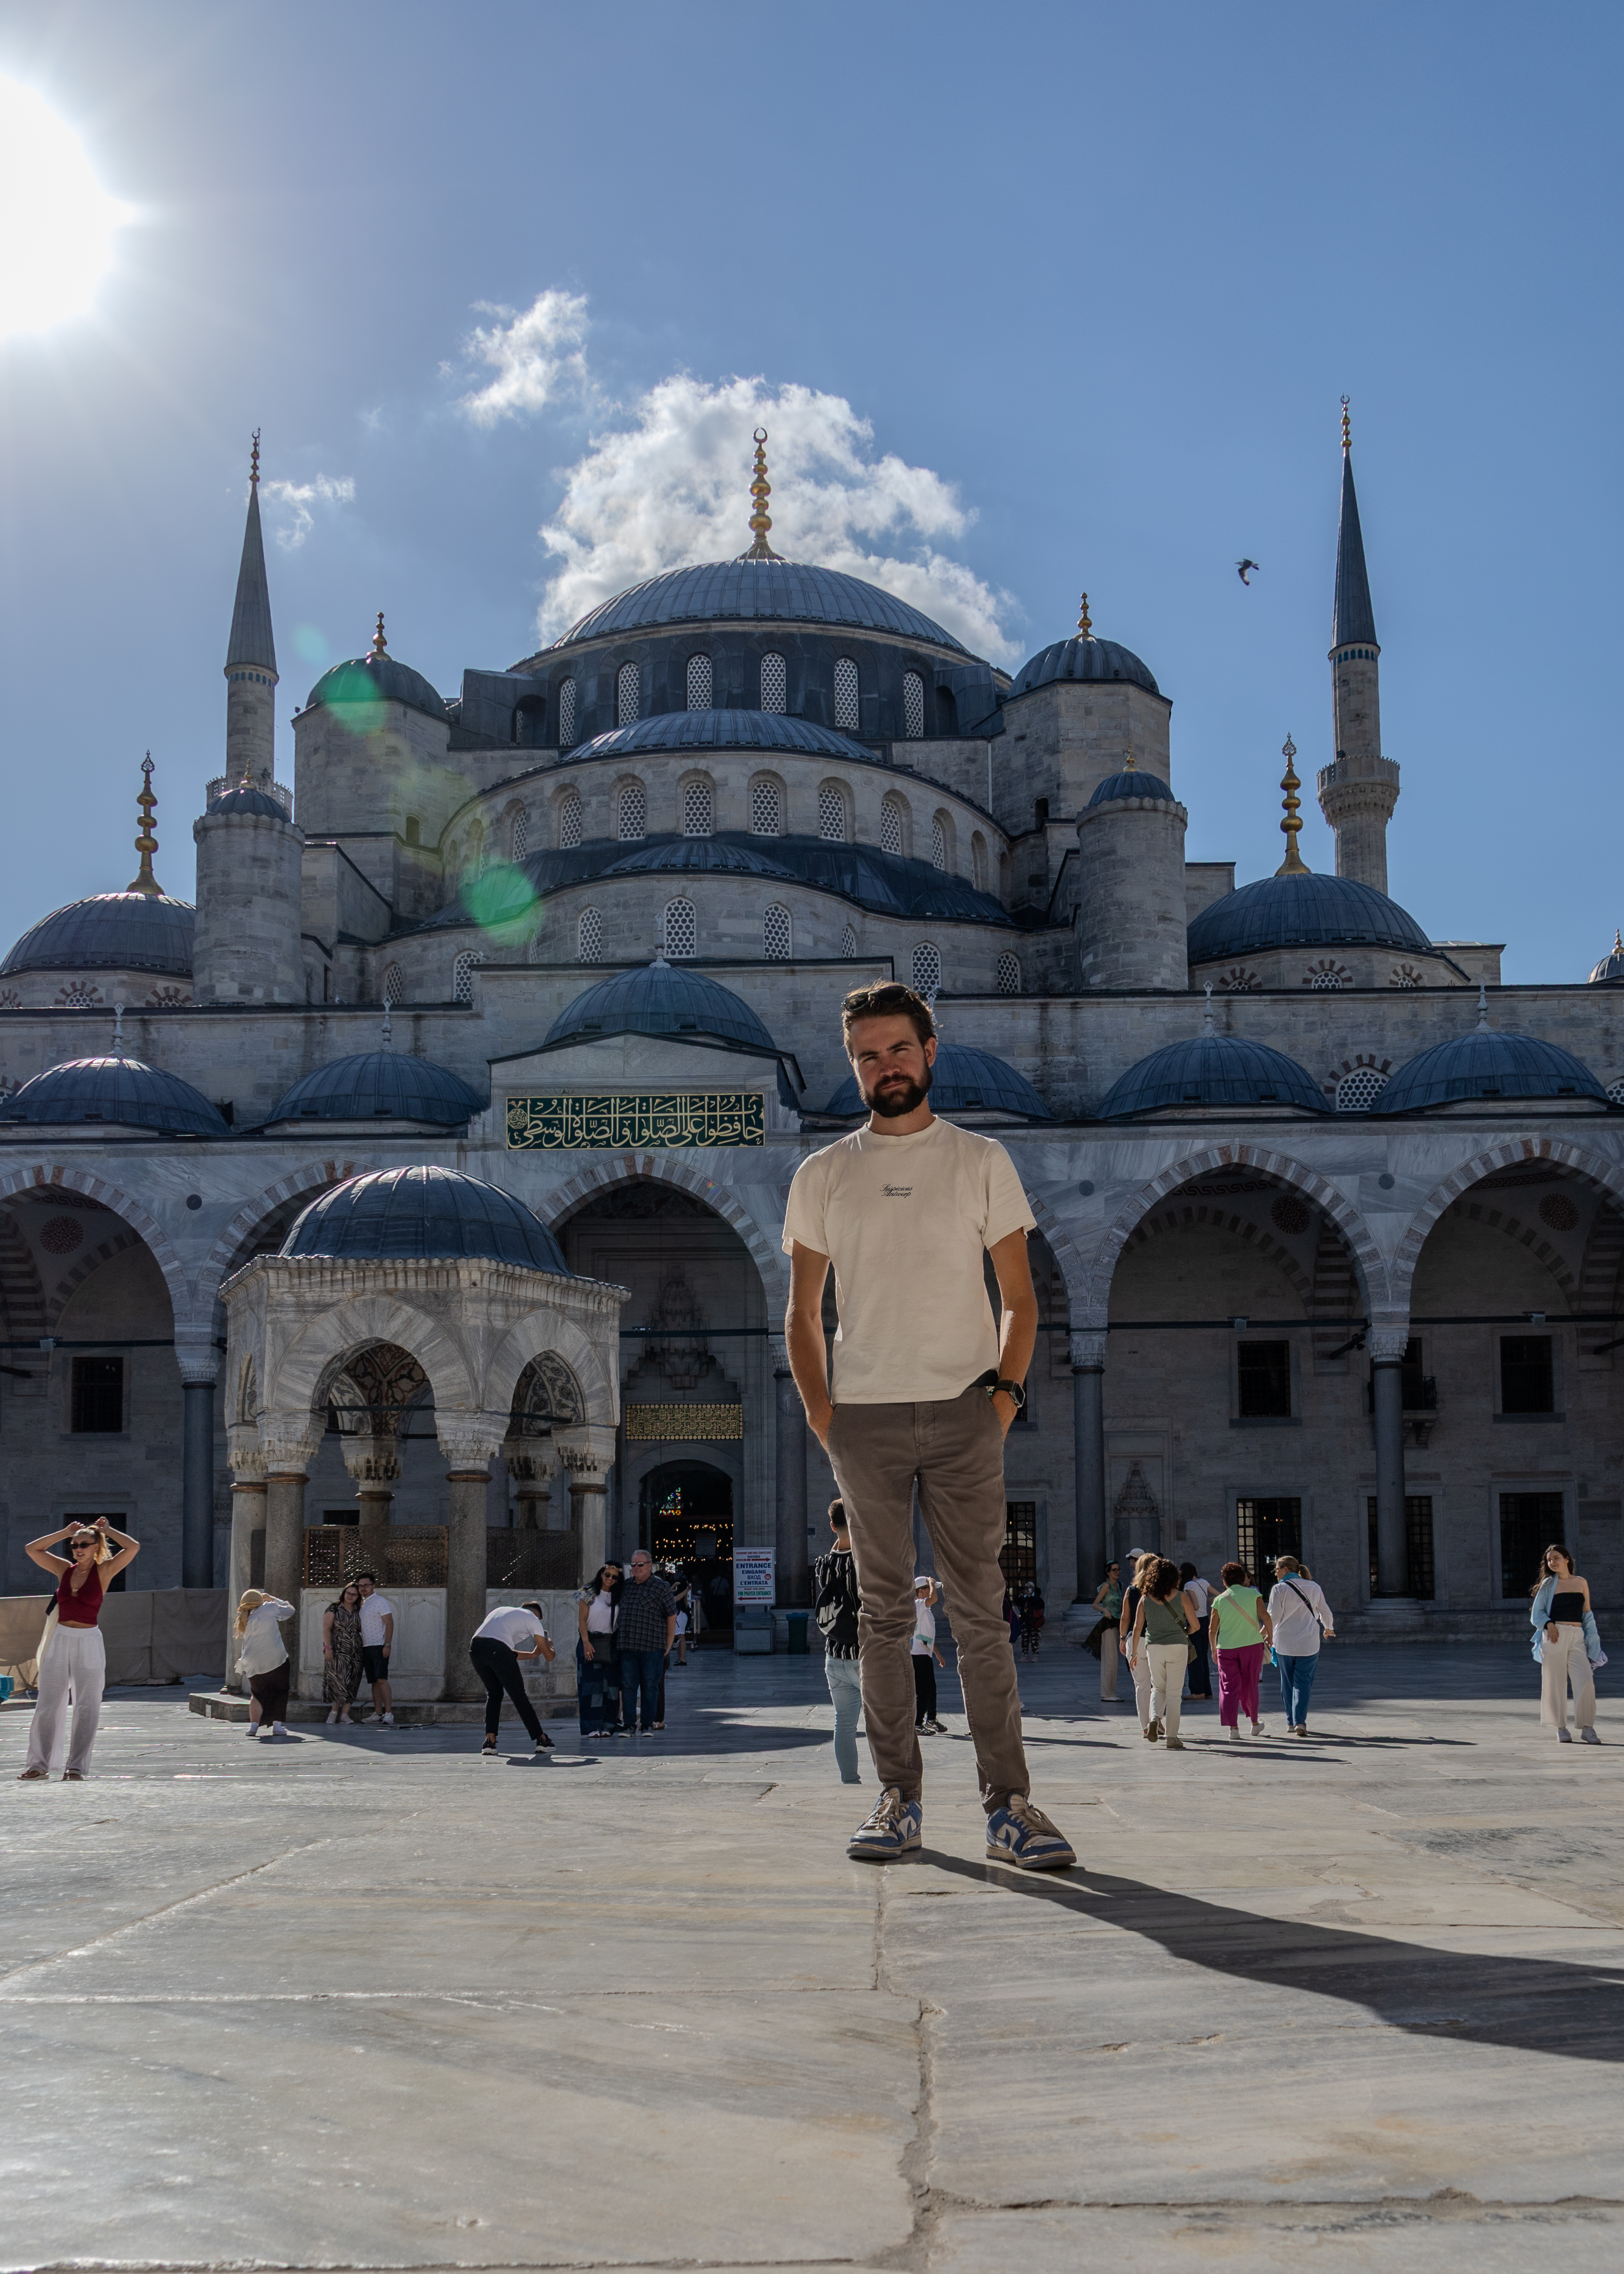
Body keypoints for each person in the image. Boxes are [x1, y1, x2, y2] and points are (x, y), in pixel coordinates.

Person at [784, 979, 1074, 1871]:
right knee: (880, 1617)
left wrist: (997, 1404)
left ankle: (1009, 1806)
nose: (884, 1067)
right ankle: (897, 1799)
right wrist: (825, 1417)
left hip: (961, 1415)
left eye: (897, 1050)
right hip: (862, 1420)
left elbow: (1018, 1303)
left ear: (928, 1052)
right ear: (853, 1067)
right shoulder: (823, 1172)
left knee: (978, 1613)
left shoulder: (979, 1159)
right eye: (867, 1055)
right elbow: (801, 1315)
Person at [18, 1519, 140, 1781]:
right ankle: (38, 1765)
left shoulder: (104, 1571)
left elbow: (133, 1547)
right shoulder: (64, 1569)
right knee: (48, 1703)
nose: (78, 1549)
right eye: (74, 1545)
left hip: (88, 1640)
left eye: (84, 1544)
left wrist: (108, 1531)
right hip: (60, 1638)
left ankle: (76, 1768)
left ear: (96, 1547)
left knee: (88, 1705)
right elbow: (32, 1549)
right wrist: (64, 1532)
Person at [1529, 1543, 1603, 1744]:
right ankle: (1561, 1728)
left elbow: (1587, 1614)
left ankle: (1588, 1728)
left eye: (1556, 1558)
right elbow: (1537, 1613)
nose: (1552, 1562)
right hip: (1555, 1636)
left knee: (1586, 1681)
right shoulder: (1547, 1584)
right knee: (1555, 1682)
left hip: (1577, 1636)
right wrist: (1548, 1624)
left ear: (1567, 1559)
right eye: (1549, 1560)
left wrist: (1593, 1643)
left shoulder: (1581, 1582)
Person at [813, 1499, 864, 1784]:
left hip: (835, 1654)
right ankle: (891, 1784)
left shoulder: (824, 1565)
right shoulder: (865, 1561)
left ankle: (849, 1779)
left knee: (844, 1723)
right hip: (866, 1653)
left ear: (832, 1526)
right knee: (884, 1724)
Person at [470, 1599, 556, 1755]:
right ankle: (542, 1739)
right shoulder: (533, 1619)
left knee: (495, 1693)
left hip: (476, 1649)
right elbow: (549, 1657)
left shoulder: (501, 1612)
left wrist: (532, 1655)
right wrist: (549, 1646)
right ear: (536, 1615)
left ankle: (490, 1741)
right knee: (519, 1696)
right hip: (497, 1651)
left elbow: (505, 1652)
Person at [1130, 1557, 1199, 1749]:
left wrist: (1134, 1653)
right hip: (1177, 1646)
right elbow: (1196, 1625)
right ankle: (1172, 1737)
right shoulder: (1182, 1597)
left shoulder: (1145, 1598)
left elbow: (1137, 1627)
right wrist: (1185, 1632)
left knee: (1158, 1688)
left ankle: (1154, 1719)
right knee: (1175, 1694)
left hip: (1153, 1647)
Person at [1266, 1554, 1335, 1736]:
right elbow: (1325, 1611)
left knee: (1287, 1683)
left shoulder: (1279, 1589)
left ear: (1286, 1570)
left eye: (1277, 1570)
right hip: (1309, 1642)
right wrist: (1328, 1628)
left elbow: (1273, 1617)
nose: (1276, 1573)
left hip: (1285, 1643)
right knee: (1303, 1683)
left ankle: (1290, 1721)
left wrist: (1264, 1635)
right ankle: (1300, 1722)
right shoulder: (1314, 1587)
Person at [1209, 1561, 1273, 1739]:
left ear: (1224, 1582)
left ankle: (1233, 1729)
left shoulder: (1219, 1600)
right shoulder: (1253, 1593)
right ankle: (1254, 1723)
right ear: (1243, 1578)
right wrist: (1271, 1636)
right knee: (1251, 1684)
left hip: (1227, 1649)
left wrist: (1214, 1649)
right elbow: (1265, 1617)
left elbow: (1212, 1630)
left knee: (1229, 1687)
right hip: (1252, 1646)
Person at [617, 1550, 677, 1734]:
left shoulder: (660, 1587)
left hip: (652, 1647)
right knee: (628, 1687)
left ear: (650, 1565)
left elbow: (671, 1616)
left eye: (640, 1564)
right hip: (627, 1647)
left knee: (650, 1687)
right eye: (633, 1565)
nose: (636, 1568)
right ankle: (629, 1725)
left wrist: (668, 1644)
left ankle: (647, 1724)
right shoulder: (626, 1586)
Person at [235, 1588, 298, 1740]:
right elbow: (290, 1610)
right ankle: (277, 1726)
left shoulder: (244, 1617)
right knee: (281, 1690)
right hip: (276, 1659)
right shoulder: (268, 1607)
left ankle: (253, 1727)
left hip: (252, 1662)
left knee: (257, 1694)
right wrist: (272, 1598)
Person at [576, 1562, 623, 1737]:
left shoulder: (619, 1595)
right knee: (591, 1686)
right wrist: (586, 1642)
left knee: (611, 1687)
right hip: (590, 1641)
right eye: (607, 1575)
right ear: (601, 1574)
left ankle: (609, 1725)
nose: (610, 1579)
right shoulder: (588, 1592)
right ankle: (592, 1727)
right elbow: (582, 1620)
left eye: (614, 1577)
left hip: (610, 1643)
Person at [1119, 1551, 1160, 1734]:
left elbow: (1125, 1619)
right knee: (1159, 1685)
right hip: (1156, 1640)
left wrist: (1122, 1639)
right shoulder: (1160, 1590)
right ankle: (1156, 1720)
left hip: (1135, 1641)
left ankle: (1146, 1726)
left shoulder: (1131, 1590)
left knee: (1141, 1686)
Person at [355, 1573, 396, 1727]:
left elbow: (389, 1623)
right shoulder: (361, 1604)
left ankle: (389, 1713)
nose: (363, 1588)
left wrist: (388, 1644)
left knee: (382, 1679)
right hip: (366, 1647)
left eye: (366, 1585)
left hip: (380, 1646)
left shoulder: (381, 1602)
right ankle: (378, 1713)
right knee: (373, 1681)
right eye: (360, 1586)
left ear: (373, 1586)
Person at [322, 1582, 364, 1724]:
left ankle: (345, 1714)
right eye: (348, 1593)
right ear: (344, 1593)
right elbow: (327, 1628)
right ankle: (334, 1712)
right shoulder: (334, 1608)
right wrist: (328, 1648)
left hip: (356, 1650)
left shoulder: (359, 1610)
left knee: (353, 1680)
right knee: (338, 1680)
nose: (351, 1597)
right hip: (338, 1648)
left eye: (354, 1595)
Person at [912, 1575, 947, 1734]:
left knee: (931, 1689)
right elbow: (933, 1598)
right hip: (917, 1656)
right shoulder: (918, 1605)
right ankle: (918, 1724)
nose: (932, 1590)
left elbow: (923, 1636)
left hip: (924, 1654)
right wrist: (932, 1583)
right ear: (921, 1591)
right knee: (924, 1692)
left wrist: (937, 1654)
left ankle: (931, 1719)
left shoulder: (924, 1611)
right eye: (928, 1588)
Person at [1180, 1563, 1213, 1700]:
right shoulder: (1203, 1582)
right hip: (1206, 1621)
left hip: (1195, 1622)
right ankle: (1207, 1691)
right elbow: (1217, 1595)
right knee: (1204, 1658)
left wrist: (1185, 1605)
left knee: (1194, 1658)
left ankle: (1197, 1691)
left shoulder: (1188, 1585)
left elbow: (1196, 1606)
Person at [1090, 1561, 1123, 1702]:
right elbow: (1095, 1605)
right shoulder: (1106, 1586)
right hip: (1107, 1624)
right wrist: (1105, 1611)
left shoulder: (1120, 1586)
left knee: (1114, 1660)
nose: (1117, 1572)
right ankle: (1107, 1693)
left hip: (1117, 1623)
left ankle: (1111, 1692)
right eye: (1114, 1570)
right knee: (1110, 1660)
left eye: (1118, 1569)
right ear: (1108, 1572)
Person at [1020, 1583, 1045, 1658]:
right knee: (1025, 1639)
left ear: (1033, 1589)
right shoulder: (1025, 1598)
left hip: (1034, 1622)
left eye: (1030, 1587)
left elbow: (1038, 1604)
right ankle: (1025, 1655)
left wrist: (1029, 1595)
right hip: (1026, 1621)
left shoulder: (1037, 1598)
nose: (1028, 1589)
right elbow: (1021, 1605)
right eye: (1027, 1587)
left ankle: (1035, 1655)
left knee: (1034, 1639)